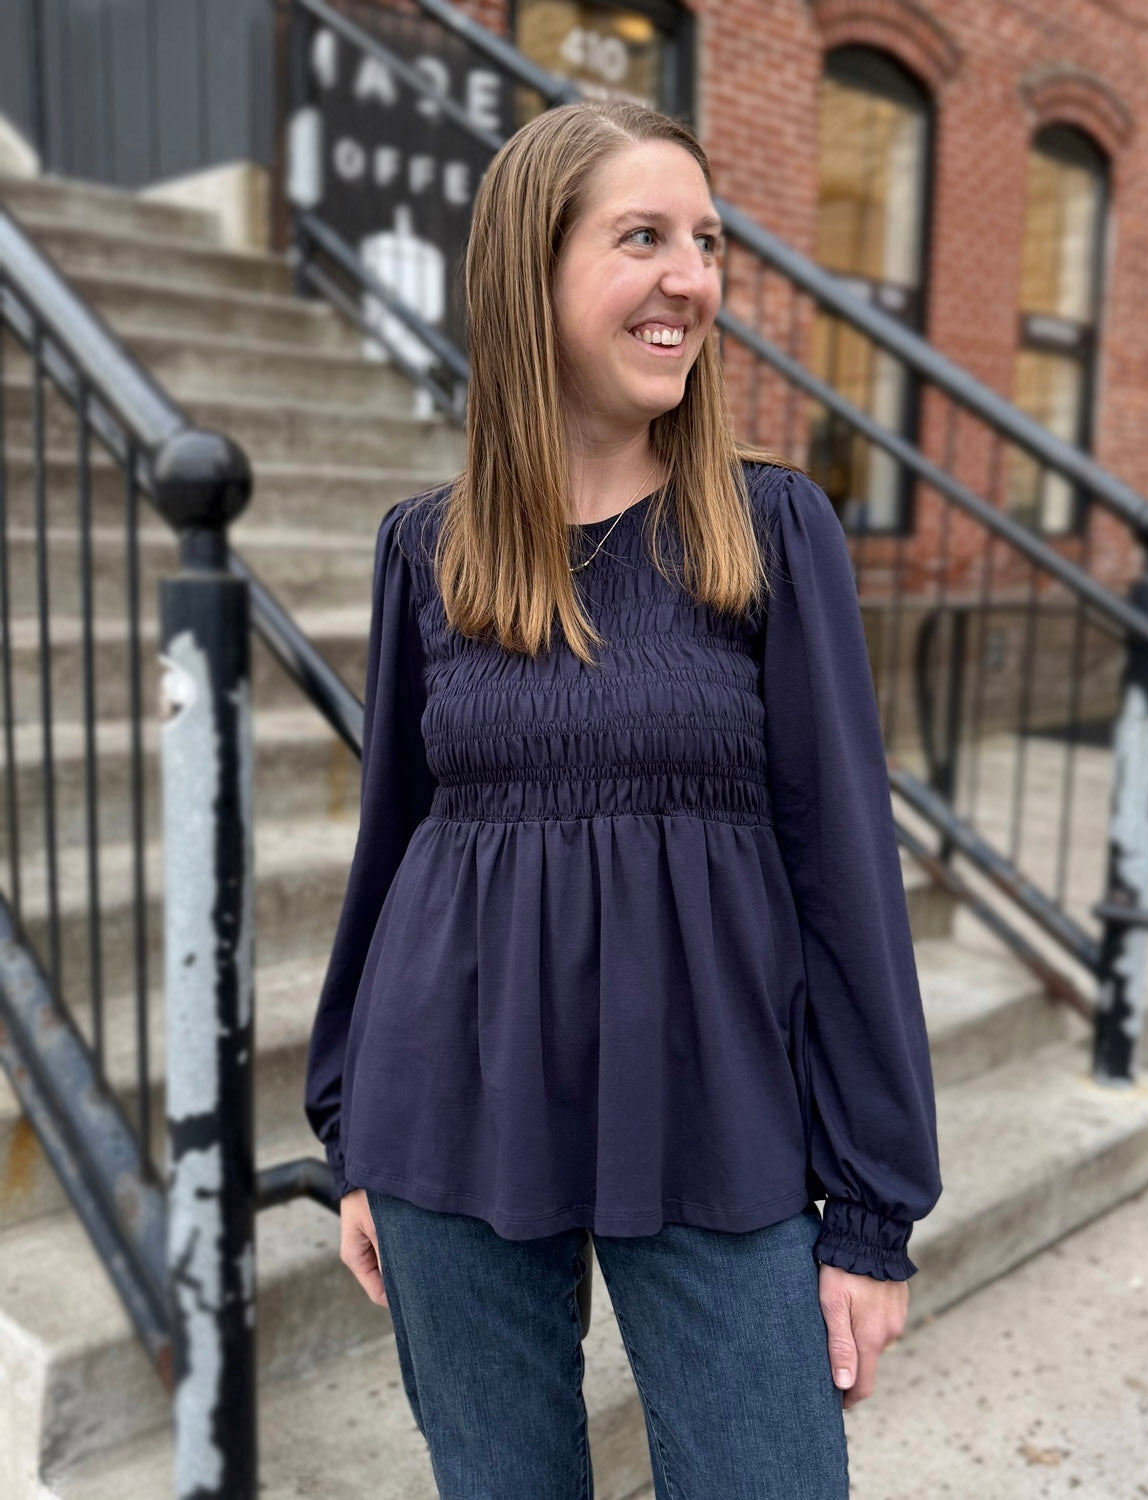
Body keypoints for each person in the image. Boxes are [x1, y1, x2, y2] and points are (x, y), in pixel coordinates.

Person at [304, 98, 942, 1498]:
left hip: (715, 1113)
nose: (691, 280)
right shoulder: (428, 551)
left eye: (705, 242)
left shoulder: (773, 529)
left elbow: (843, 872)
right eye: (642, 237)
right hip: (448, 1109)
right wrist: (355, 1135)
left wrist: (872, 1214)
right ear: (530, 274)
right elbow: (393, 842)